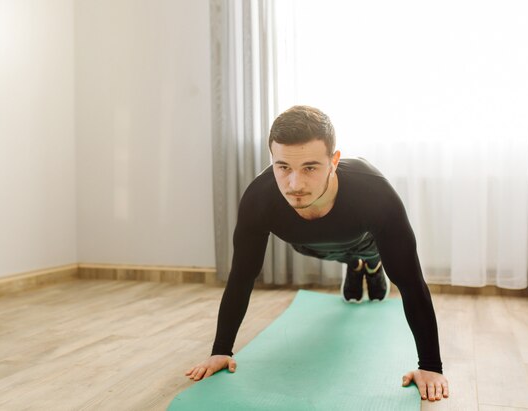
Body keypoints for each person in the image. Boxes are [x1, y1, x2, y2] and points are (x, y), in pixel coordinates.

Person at [185, 105, 449, 402]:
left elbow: (412, 283)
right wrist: (221, 350)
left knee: (372, 259)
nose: (294, 185)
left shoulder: (374, 194)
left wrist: (430, 366)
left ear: (334, 162)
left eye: (310, 167)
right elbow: (242, 276)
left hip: (364, 241)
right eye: (283, 167)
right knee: (333, 252)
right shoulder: (259, 200)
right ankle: (356, 266)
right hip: (311, 246)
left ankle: (370, 266)